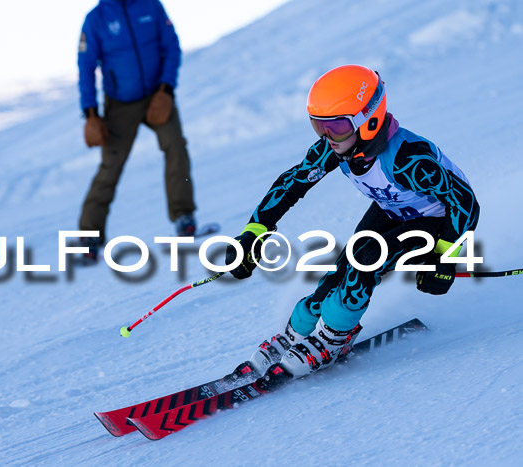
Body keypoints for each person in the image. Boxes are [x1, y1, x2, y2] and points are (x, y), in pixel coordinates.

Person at [225, 65, 479, 378]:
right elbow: (292, 183)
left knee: (365, 262)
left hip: (437, 220)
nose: (327, 137)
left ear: (368, 120)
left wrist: (444, 256)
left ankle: (334, 338)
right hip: (392, 209)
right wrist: (255, 231)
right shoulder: (341, 146)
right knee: (341, 271)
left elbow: (464, 201)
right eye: (319, 126)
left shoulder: (407, 159)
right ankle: (297, 334)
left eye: (337, 127)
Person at [77, 0, 197, 261]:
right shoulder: (96, 19)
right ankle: (89, 236)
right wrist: (90, 114)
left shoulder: (150, 6)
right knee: (111, 165)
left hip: (158, 97)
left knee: (175, 146)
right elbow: (85, 67)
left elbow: (171, 46)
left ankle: (183, 216)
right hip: (120, 104)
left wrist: (166, 90)